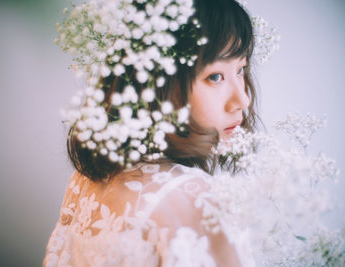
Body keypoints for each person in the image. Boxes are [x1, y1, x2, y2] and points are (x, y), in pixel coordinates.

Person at [44, 0, 258, 266]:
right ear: (160, 84)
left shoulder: (85, 182)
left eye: (241, 70)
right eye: (215, 76)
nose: (243, 99)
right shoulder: (198, 199)